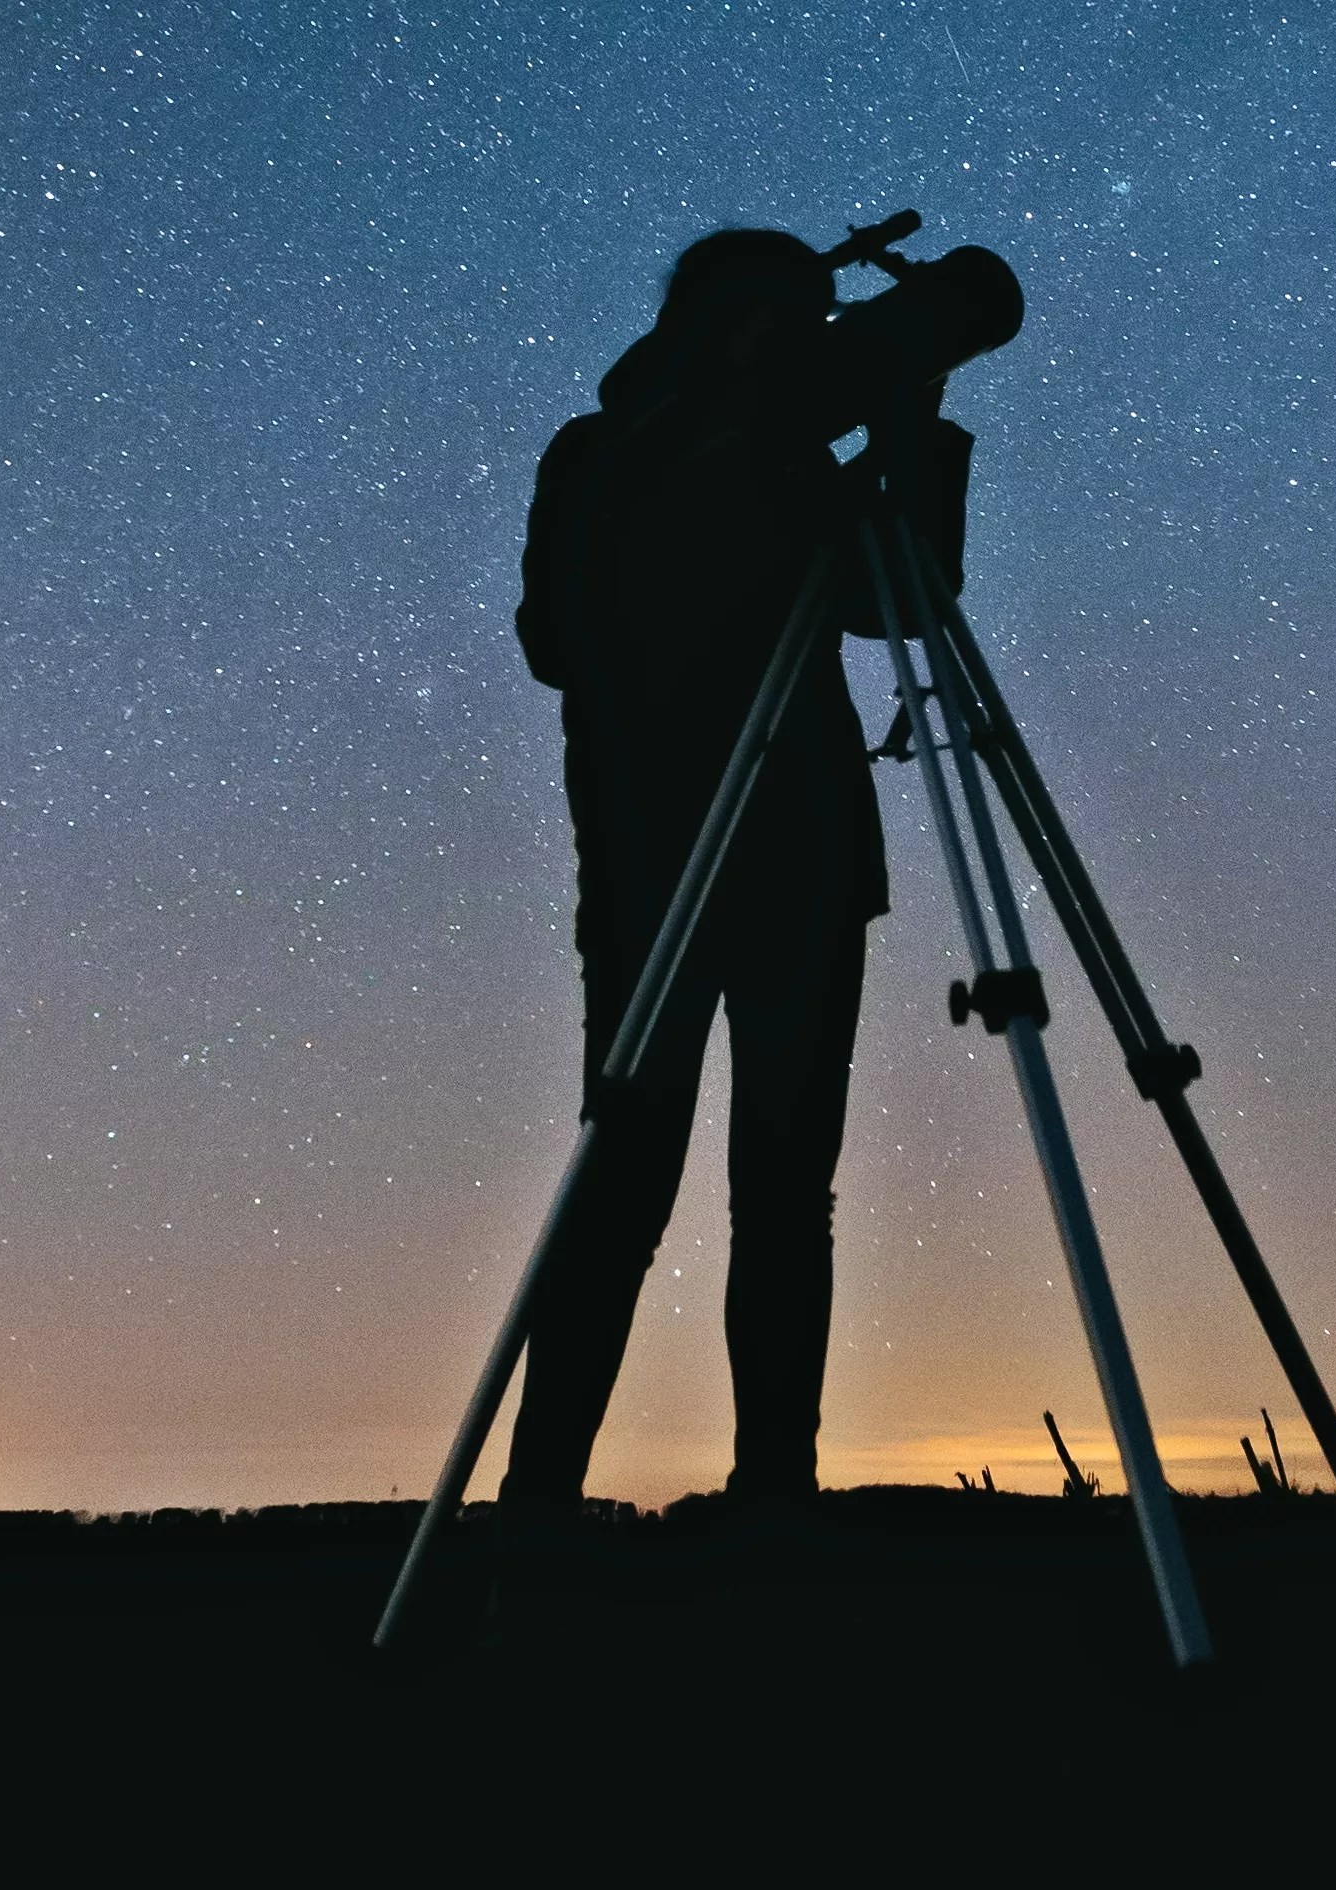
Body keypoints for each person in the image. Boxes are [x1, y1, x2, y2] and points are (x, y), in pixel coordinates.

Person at [500, 227, 970, 1514]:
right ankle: (538, 1500)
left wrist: (911, 425)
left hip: (804, 862)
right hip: (657, 859)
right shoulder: (603, 453)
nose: (806, 339)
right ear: (711, 318)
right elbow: (557, 637)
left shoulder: (799, 454)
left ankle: (778, 1496)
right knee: (627, 1179)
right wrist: (724, 481)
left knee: (786, 1194)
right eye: (786, 315)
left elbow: (908, 603)